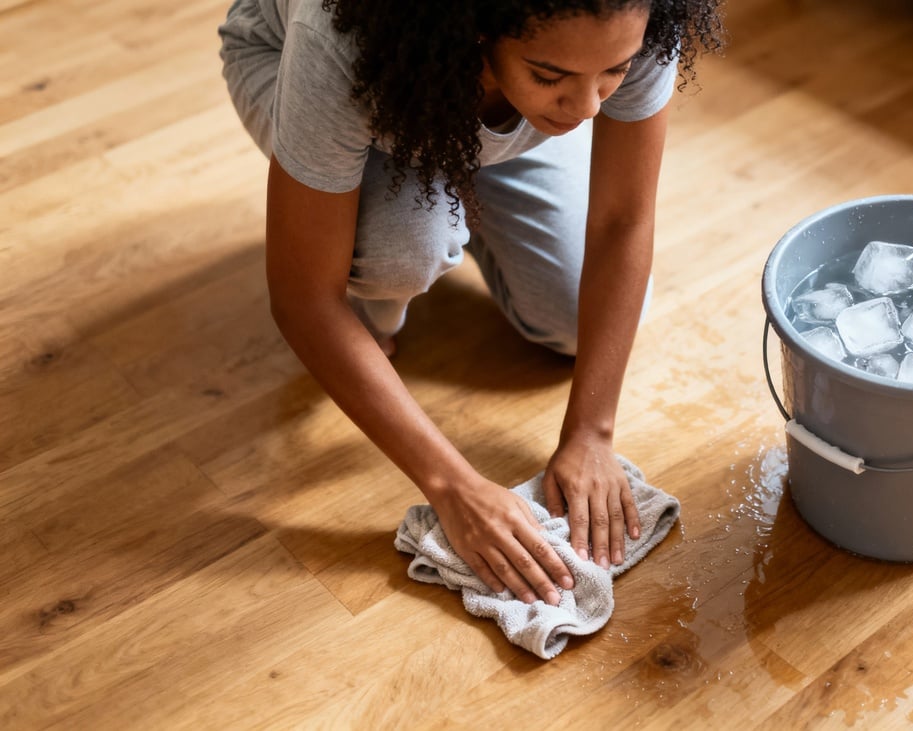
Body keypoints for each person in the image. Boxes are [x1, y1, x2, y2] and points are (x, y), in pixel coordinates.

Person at [217, 0, 724, 607]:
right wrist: (453, 488)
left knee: (574, 322)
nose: (589, 108)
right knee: (402, 249)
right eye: (551, 75)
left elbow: (622, 221)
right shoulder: (339, 41)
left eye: (614, 71)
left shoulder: (633, 13)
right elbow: (303, 298)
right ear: (474, 25)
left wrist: (593, 433)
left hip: (476, 97)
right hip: (340, 72)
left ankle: (455, 186)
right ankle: (395, 238)